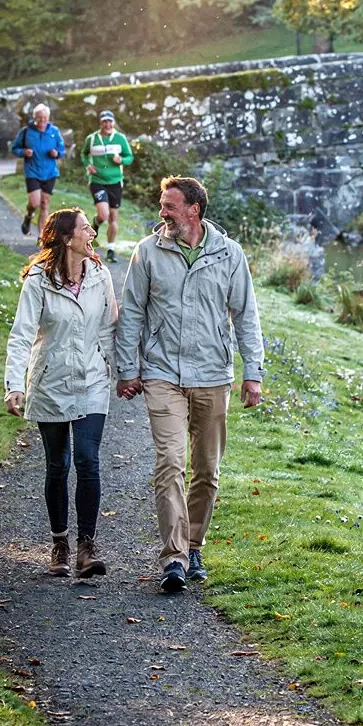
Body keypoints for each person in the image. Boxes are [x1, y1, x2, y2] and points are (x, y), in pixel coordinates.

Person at [115, 175, 263, 595]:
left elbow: (246, 316)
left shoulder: (229, 255)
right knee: (169, 463)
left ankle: (194, 543)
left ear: (193, 210)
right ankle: (175, 557)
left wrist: (253, 372)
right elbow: (132, 315)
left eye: (170, 206)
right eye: (163, 206)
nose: (163, 213)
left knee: (207, 472)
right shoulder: (148, 252)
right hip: (162, 374)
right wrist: (128, 369)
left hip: (213, 374)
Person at [4, 207, 117, 579]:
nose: (93, 235)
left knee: (87, 460)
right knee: (58, 465)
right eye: (87, 229)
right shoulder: (38, 279)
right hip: (50, 382)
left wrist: (123, 373)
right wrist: (14, 385)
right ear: (68, 238)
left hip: (92, 381)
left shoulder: (100, 275)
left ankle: (87, 546)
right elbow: (22, 335)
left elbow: (110, 328)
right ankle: (60, 543)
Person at [80, 110, 134, 265]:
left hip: (115, 181)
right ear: (101, 123)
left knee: (113, 217)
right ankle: (96, 224)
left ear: (113, 123)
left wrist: (121, 159)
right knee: (103, 215)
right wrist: (88, 165)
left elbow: (130, 157)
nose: (108, 124)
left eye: (110, 121)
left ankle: (110, 250)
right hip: (97, 180)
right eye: (105, 121)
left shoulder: (120, 138)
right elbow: (84, 154)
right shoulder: (92, 139)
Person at [12, 104, 66, 240]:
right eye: (39, 117)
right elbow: (15, 148)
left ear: (48, 118)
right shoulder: (26, 132)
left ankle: (42, 238)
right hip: (32, 171)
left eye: (44, 117)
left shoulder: (54, 131)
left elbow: (61, 149)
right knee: (34, 203)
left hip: (50, 173)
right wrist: (24, 152)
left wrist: (57, 153)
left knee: (44, 204)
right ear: (34, 118)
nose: (41, 120)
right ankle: (29, 215)